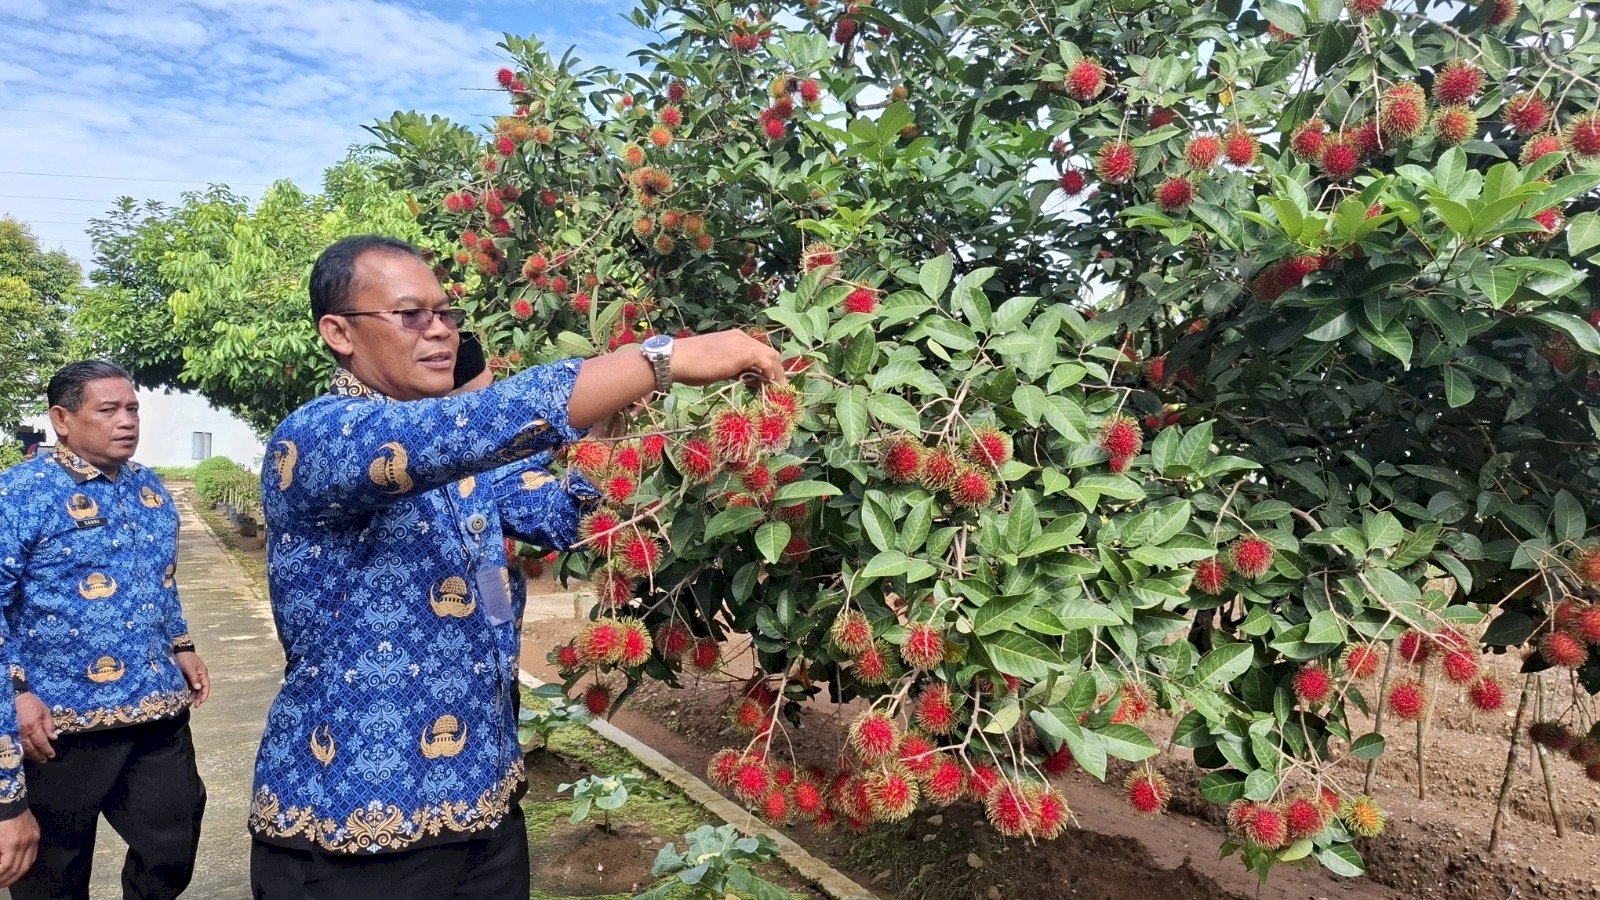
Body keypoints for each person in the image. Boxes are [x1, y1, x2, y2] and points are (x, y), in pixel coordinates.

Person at [248, 235, 782, 898]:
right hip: (349, 826)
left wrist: (609, 433)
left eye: (445, 314)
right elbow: (465, 427)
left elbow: (558, 516)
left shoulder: (462, 464)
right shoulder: (318, 437)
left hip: (485, 807)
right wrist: (657, 360)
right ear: (339, 332)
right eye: (411, 315)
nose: (440, 330)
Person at [0, 360, 211, 899]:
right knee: (54, 872)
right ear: (62, 419)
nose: (127, 421)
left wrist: (181, 643)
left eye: (133, 409)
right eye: (109, 410)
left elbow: (162, 579)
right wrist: (16, 693)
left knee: (173, 841)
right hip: (58, 724)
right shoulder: (20, 494)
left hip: (155, 709)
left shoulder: (150, 488)